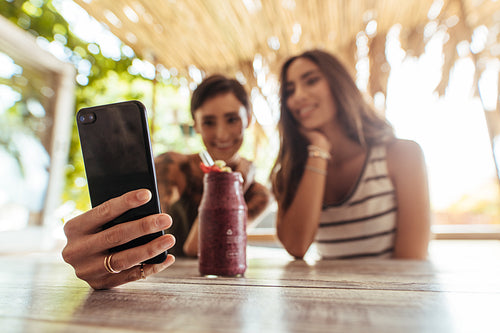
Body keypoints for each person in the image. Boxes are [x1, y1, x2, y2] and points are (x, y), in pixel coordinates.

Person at [270, 49, 430, 260]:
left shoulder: (402, 155)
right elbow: (297, 246)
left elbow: (411, 262)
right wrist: (319, 150)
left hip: (397, 291)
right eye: (290, 91)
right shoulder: (292, 174)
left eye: (311, 81)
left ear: (339, 84)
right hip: (329, 293)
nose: (298, 96)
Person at [154, 74, 270, 257]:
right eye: (209, 122)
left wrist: (235, 185)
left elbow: (201, 247)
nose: (222, 134)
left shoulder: (258, 195)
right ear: (197, 125)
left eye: (232, 120)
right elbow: (150, 242)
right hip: (160, 281)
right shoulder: (173, 167)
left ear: (248, 119)